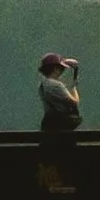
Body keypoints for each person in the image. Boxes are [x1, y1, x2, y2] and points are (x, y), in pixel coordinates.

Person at [36, 54, 82, 182]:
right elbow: (74, 102)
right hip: (60, 127)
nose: (62, 71)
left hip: (49, 125)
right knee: (64, 156)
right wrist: (73, 87)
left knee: (50, 157)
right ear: (55, 69)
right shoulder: (55, 85)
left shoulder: (43, 84)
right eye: (61, 68)